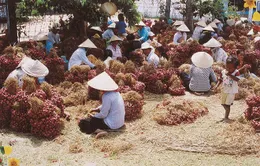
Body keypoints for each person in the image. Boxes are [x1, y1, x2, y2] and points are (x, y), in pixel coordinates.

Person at [78, 72, 125, 138]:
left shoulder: (106, 96)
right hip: (120, 123)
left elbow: (103, 114)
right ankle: (99, 128)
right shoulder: (116, 93)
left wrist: (94, 116)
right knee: (92, 119)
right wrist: (97, 109)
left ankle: (99, 131)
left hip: (112, 125)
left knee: (84, 123)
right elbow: (108, 106)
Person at [217, 56, 241, 122]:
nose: (228, 69)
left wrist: (230, 75)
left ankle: (226, 117)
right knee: (223, 103)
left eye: (230, 68)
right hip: (224, 90)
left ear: (235, 67)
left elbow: (238, 79)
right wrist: (216, 86)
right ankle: (226, 114)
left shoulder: (236, 72)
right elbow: (220, 79)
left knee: (227, 104)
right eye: (227, 67)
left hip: (231, 91)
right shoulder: (223, 71)